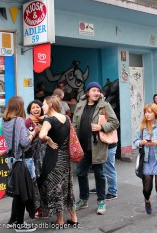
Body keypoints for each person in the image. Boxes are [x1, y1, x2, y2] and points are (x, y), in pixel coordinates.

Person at [72, 82, 119, 215]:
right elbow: (75, 124)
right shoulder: (80, 105)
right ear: (88, 92)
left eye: (98, 90)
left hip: (98, 145)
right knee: (81, 173)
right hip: (82, 146)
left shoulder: (104, 105)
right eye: (94, 90)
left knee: (99, 174)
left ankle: (101, 201)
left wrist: (101, 127)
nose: (96, 92)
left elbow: (115, 122)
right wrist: (74, 141)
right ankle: (83, 199)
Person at [38, 96, 79, 228]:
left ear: (50, 105)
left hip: (53, 158)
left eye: (43, 105)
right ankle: (74, 218)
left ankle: (60, 220)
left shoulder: (49, 120)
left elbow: (41, 135)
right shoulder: (66, 118)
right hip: (65, 158)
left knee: (56, 188)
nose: (41, 107)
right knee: (67, 188)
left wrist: (48, 140)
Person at [134, 103, 157, 229]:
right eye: (146, 112)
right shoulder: (142, 127)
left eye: (149, 112)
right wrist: (142, 142)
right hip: (146, 162)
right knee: (147, 189)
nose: (147, 114)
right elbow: (135, 141)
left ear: (155, 113)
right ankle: (147, 200)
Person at [2, 96, 36, 232]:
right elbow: (24, 142)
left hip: (11, 160)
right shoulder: (19, 121)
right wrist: (33, 134)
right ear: (19, 107)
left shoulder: (4, 121)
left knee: (17, 192)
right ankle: (20, 224)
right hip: (20, 161)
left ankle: (12, 220)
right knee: (23, 192)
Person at [25, 100, 47, 218]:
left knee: (45, 181)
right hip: (33, 158)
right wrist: (35, 131)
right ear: (29, 110)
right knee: (36, 182)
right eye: (33, 108)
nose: (36, 109)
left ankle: (45, 207)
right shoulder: (27, 122)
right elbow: (26, 140)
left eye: (38, 107)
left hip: (45, 155)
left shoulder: (45, 120)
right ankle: (37, 208)